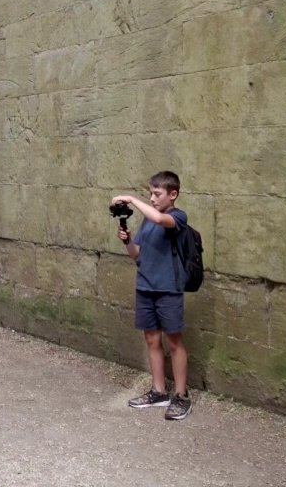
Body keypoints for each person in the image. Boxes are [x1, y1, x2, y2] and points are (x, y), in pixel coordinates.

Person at [111, 170, 191, 420]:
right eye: (150, 194)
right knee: (152, 340)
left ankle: (181, 395)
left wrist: (132, 200)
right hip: (145, 286)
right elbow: (138, 255)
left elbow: (159, 218)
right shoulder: (147, 221)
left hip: (168, 289)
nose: (153, 198)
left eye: (157, 194)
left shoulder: (177, 217)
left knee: (174, 342)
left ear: (173, 194)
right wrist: (128, 241)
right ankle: (159, 391)